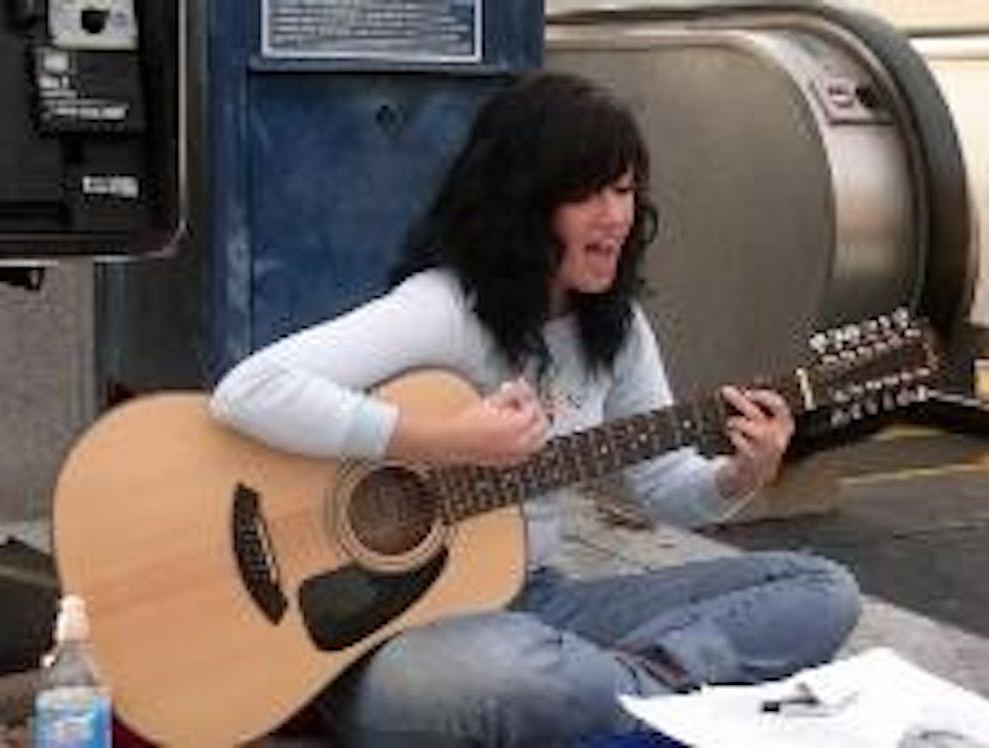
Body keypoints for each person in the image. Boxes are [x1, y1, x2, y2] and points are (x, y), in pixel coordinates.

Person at [210, 71, 861, 747]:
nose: (614, 217)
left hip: (536, 602)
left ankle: (630, 689)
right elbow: (248, 390)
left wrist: (738, 478)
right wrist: (441, 440)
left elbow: (667, 487)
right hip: (385, 643)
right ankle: (649, 701)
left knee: (821, 588)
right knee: (517, 672)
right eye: (586, 193)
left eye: (624, 189)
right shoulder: (444, 309)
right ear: (522, 202)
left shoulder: (617, 329)